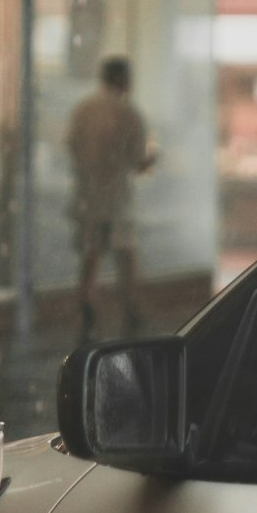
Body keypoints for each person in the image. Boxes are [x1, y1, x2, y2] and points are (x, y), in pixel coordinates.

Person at [66, 55, 157, 340]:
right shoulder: (128, 113)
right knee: (125, 254)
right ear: (123, 79)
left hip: (88, 197)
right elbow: (138, 161)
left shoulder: (83, 109)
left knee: (92, 253)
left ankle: (86, 304)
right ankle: (131, 308)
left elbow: (71, 145)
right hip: (116, 199)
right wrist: (152, 160)